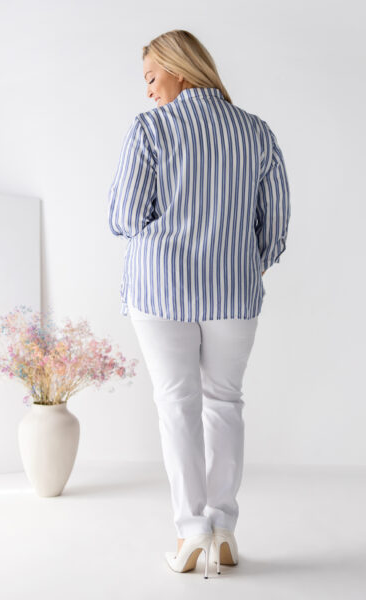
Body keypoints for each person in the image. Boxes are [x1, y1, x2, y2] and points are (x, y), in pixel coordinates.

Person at [108, 29, 291, 578]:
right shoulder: (256, 132)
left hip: (160, 289)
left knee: (176, 404)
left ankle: (191, 532)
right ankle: (224, 528)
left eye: (150, 77)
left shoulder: (151, 129)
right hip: (234, 291)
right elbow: (275, 225)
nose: (148, 91)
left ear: (178, 68)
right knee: (225, 402)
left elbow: (123, 216)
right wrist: (245, 260)